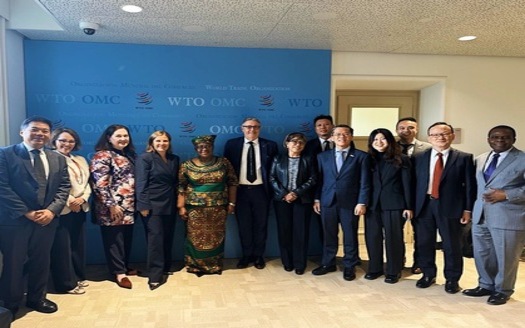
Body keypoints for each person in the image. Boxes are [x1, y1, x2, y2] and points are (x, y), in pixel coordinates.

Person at [0, 116, 70, 318]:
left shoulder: (57, 158)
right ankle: (10, 302)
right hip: (15, 221)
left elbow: (64, 187)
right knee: (14, 263)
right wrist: (27, 212)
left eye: (45, 131)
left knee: (41, 260)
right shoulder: (5, 154)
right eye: (35, 130)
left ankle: (37, 297)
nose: (40, 134)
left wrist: (51, 211)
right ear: (22, 132)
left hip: (47, 220)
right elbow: (2, 187)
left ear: (50, 135)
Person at [463, 125, 525, 305]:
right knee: (483, 253)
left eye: (505, 137)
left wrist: (507, 195)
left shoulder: (522, 159)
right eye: (495, 137)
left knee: (506, 256)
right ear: (488, 139)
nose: (500, 140)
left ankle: (503, 290)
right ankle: (485, 285)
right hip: (481, 215)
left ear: (514, 139)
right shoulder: (481, 158)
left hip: (508, 216)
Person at [412, 122, 476, 293]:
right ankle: (427, 274)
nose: (440, 137)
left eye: (444, 134)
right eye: (435, 135)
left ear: (452, 136)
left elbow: (470, 186)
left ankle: (452, 279)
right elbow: (413, 184)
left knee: (451, 244)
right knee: (424, 243)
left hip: (451, 207)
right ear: (429, 138)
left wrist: (468, 209)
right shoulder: (419, 157)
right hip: (424, 205)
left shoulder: (464, 158)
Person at [312, 124, 371, 281]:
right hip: (327, 202)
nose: (341, 137)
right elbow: (319, 180)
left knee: (350, 235)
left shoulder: (361, 156)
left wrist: (362, 202)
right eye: (338, 134)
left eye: (345, 134)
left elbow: (364, 182)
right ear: (332, 137)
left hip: (350, 203)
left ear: (351, 137)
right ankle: (328, 263)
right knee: (329, 234)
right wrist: (317, 198)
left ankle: (349, 265)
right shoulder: (322, 157)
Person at [178, 135, 238, 276]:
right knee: (195, 237)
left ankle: (214, 265)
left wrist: (232, 202)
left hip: (218, 208)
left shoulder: (223, 162)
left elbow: (233, 182)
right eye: (200, 147)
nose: (204, 149)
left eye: (207, 146)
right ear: (195, 148)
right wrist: (181, 207)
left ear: (212, 147)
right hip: (194, 208)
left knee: (215, 237)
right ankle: (194, 265)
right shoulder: (186, 165)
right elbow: (181, 186)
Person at [223, 118, 278, 269]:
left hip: (261, 191)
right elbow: (227, 171)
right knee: (244, 226)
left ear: (259, 128)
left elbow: (275, 171)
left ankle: (259, 256)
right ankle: (246, 255)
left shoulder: (270, 145)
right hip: (240, 192)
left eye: (255, 127)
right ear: (242, 128)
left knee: (261, 225)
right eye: (248, 127)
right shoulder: (232, 144)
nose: (251, 130)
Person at [90, 124, 136, 289]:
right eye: (118, 136)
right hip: (112, 206)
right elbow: (99, 183)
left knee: (125, 238)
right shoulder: (102, 155)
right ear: (109, 138)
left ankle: (123, 266)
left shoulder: (128, 155)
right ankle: (119, 273)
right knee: (114, 240)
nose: (123, 139)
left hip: (129, 206)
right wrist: (111, 205)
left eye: (125, 135)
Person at [365, 128, 413, 284]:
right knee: (373, 237)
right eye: (375, 140)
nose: (379, 142)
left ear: (390, 141)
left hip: (394, 204)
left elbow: (407, 184)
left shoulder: (401, 159)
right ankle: (375, 268)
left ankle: (394, 270)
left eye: (383, 139)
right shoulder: (368, 159)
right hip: (372, 204)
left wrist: (408, 206)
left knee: (393, 238)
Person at [49, 128, 91, 295]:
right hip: (62, 208)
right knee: (62, 247)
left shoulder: (79, 159)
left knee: (77, 244)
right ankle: (66, 284)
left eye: (71, 141)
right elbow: (51, 185)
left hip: (80, 207)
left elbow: (87, 182)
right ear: (54, 141)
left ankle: (78, 276)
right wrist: (70, 200)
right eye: (63, 141)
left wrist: (83, 198)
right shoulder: (50, 158)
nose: (67, 144)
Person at [135, 131, 179, 290]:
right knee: (155, 240)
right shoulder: (144, 158)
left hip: (170, 203)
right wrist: (143, 205)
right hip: (152, 206)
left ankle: (166, 267)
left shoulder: (175, 159)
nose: (162, 143)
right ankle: (154, 275)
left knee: (168, 237)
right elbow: (141, 184)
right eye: (158, 141)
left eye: (165, 140)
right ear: (152, 142)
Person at [270, 132, 317, 275]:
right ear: (287, 143)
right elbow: (272, 178)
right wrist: (285, 194)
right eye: (294, 141)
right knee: (284, 232)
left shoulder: (308, 159)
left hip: (302, 201)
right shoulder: (278, 158)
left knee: (301, 233)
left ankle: (299, 263)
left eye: (301, 142)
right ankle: (287, 262)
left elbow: (313, 179)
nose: (297, 144)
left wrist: (296, 193)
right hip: (282, 201)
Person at [396, 117, 431, 275]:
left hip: (420, 197)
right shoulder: (390, 147)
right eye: (402, 128)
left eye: (410, 128)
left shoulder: (428, 148)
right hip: (396, 196)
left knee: (422, 233)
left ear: (416, 129)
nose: (406, 131)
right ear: (397, 130)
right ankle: (398, 259)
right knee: (395, 232)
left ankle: (420, 262)